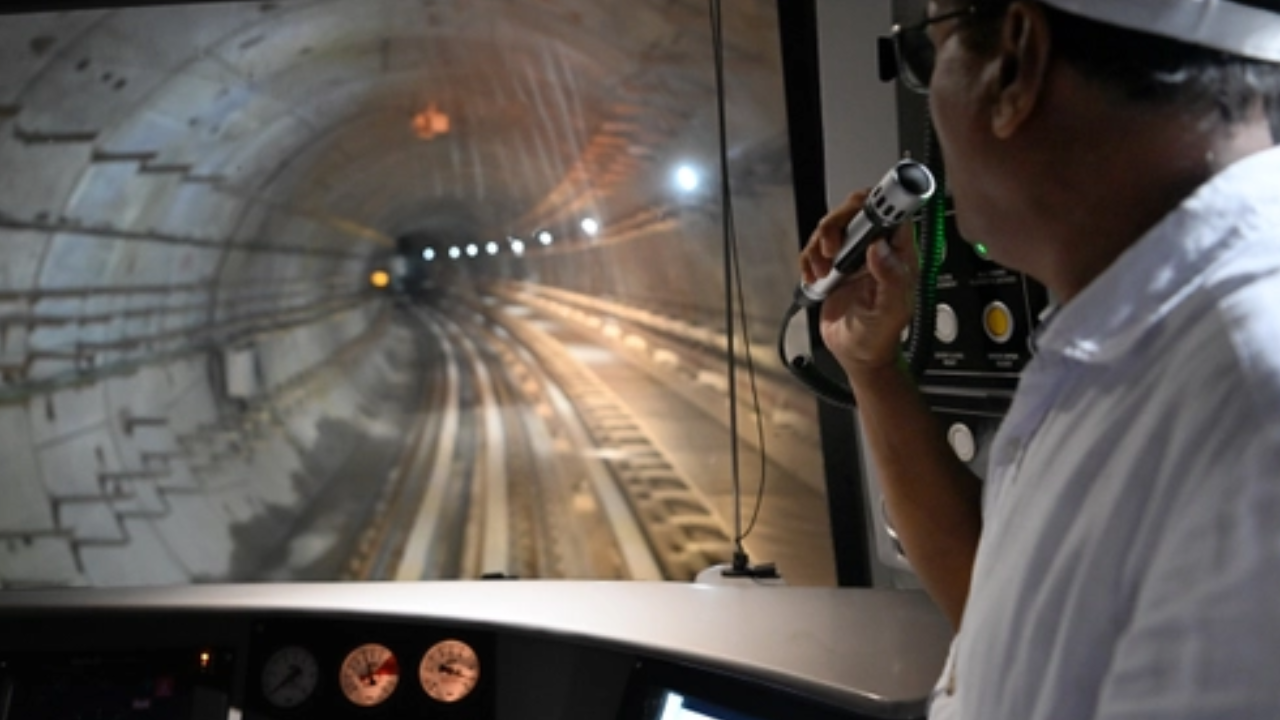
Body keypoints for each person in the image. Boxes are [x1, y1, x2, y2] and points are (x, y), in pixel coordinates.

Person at [800, 1, 1280, 718]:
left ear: (1013, 65)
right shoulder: (1124, 335)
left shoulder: (1248, 400)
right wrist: (873, 368)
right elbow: (1007, 614)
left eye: (927, 55)